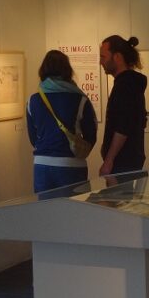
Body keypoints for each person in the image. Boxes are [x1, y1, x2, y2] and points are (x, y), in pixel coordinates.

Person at [26, 49, 98, 193]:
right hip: (71, 165)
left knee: (46, 212)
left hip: (42, 165)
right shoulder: (80, 99)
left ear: (43, 70)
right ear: (67, 70)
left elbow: (33, 138)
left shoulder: (33, 100)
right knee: (74, 212)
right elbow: (91, 135)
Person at [98, 35, 147, 176]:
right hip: (128, 161)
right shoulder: (129, 83)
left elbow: (123, 126)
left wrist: (109, 160)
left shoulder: (126, 85)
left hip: (123, 163)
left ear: (117, 57)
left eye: (103, 57)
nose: (101, 62)